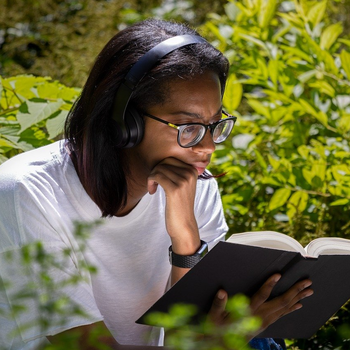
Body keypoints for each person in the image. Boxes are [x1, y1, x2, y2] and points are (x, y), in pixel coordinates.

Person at [0, 19, 313, 350]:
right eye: (187, 126)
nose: (207, 148)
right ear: (125, 122)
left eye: (214, 124)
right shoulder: (27, 191)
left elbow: (182, 335)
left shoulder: (194, 183)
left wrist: (186, 241)